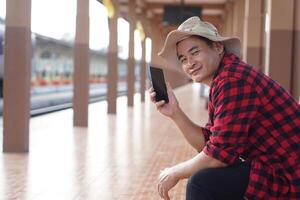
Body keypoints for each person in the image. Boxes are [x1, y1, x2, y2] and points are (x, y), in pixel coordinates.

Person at [149, 16, 300, 200]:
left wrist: (175, 172)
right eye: (183, 59)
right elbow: (212, 144)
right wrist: (175, 112)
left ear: (218, 47)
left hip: (288, 175)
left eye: (195, 52)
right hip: (277, 167)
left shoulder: (233, 80)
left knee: (202, 182)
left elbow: (217, 157)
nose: (190, 63)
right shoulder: (224, 78)